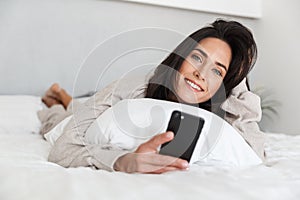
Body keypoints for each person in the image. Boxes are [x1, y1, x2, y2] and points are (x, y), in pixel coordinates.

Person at [39, 19, 265, 174]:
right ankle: (54, 100)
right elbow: (62, 150)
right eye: (197, 58)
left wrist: (238, 82)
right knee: (59, 119)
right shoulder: (130, 88)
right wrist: (122, 161)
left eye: (217, 71)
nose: (201, 74)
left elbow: (255, 157)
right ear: (180, 57)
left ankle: (63, 97)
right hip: (81, 113)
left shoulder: (216, 113)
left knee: (76, 107)